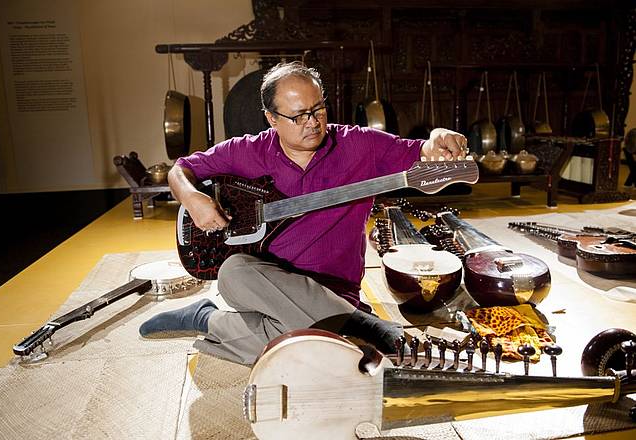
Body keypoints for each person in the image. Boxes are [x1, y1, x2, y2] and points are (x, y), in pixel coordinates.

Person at [139, 61, 467, 365]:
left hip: (335, 294)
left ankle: (208, 319)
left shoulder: (360, 145)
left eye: (318, 109)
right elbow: (180, 170)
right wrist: (192, 196)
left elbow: (420, 152)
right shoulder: (249, 150)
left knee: (312, 352)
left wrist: (435, 141)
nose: (312, 123)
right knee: (233, 270)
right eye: (298, 116)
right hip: (264, 286)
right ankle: (370, 329)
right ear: (271, 118)